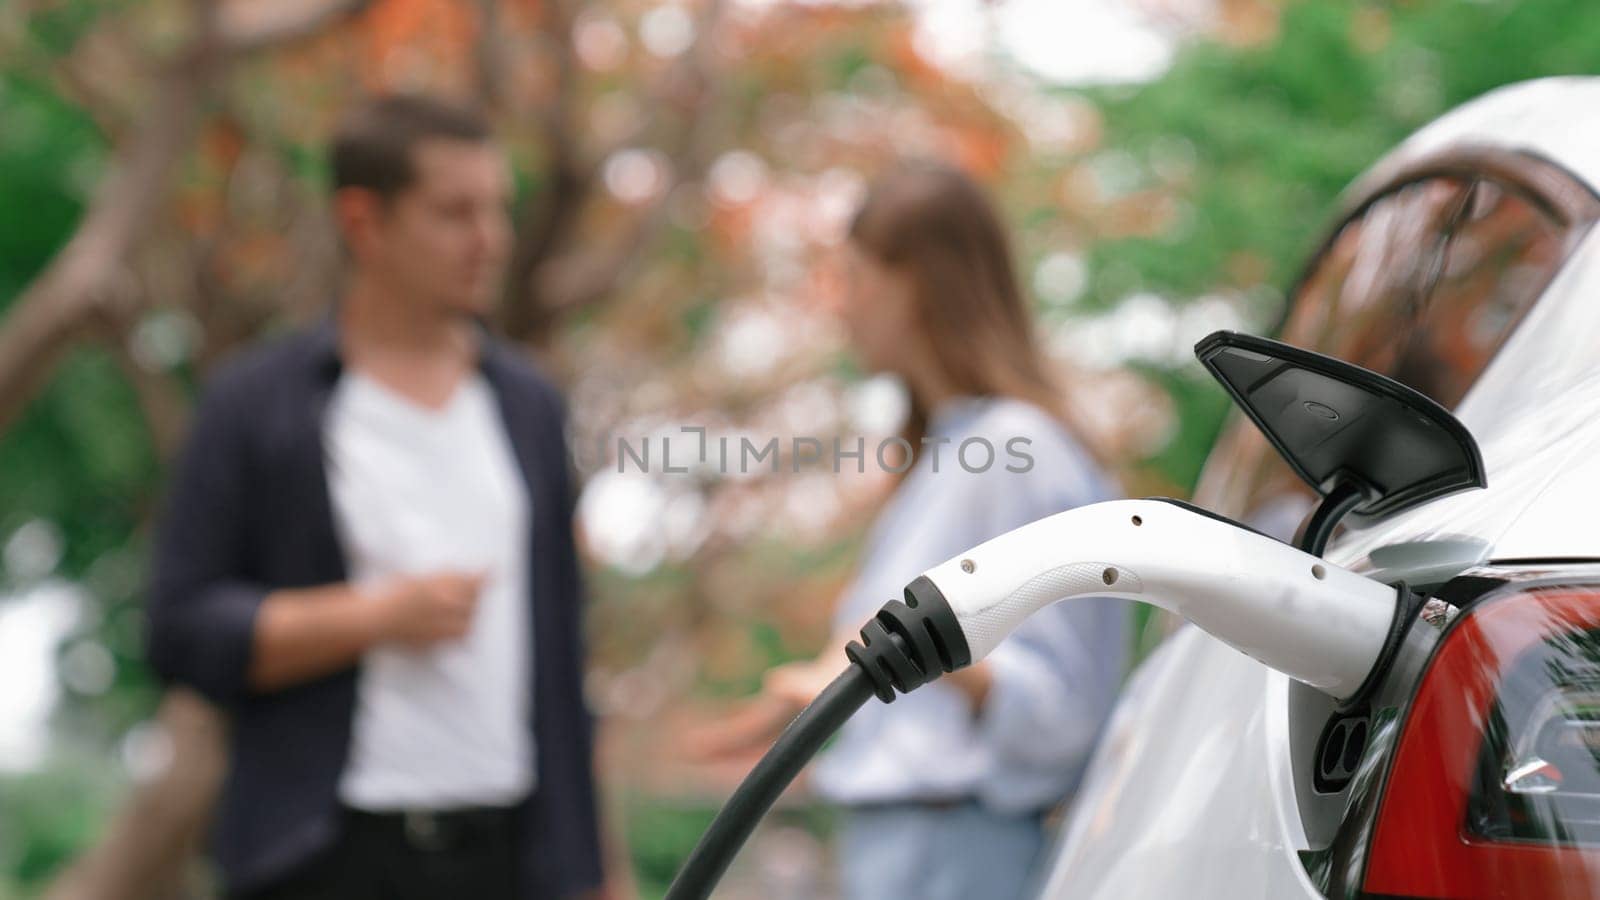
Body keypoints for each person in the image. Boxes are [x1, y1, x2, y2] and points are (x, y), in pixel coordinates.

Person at [144, 94, 602, 899]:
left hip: (512, 859)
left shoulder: (529, 405)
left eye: (497, 208)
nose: (489, 240)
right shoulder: (256, 403)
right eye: (455, 213)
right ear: (365, 221)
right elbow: (179, 631)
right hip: (318, 858)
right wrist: (374, 617)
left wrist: (596, 872)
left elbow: (565, 655)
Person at [709, 162, 1128, 899]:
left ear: (918, 283)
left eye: (857, 280)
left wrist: (935, 655)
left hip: (957, 849)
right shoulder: (947, 458)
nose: (843, 310)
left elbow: (1067, 702)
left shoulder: (1017, 449)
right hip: (908, 845)